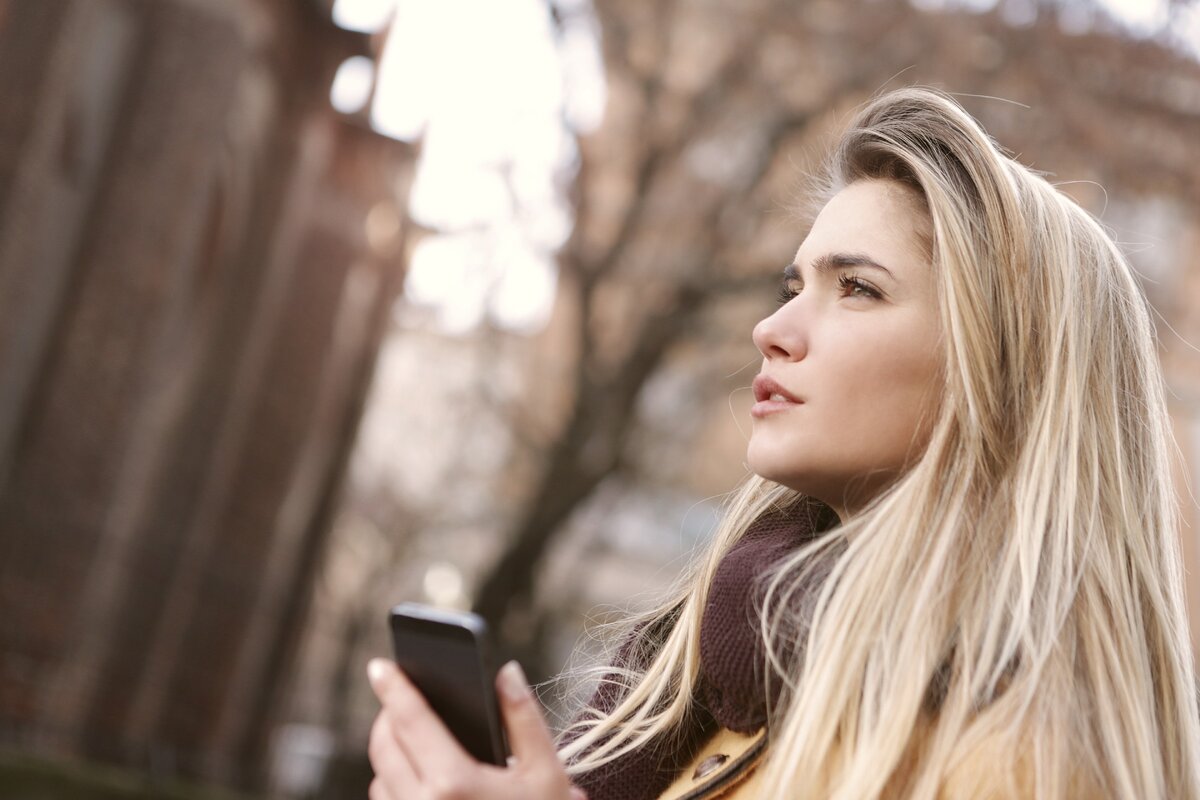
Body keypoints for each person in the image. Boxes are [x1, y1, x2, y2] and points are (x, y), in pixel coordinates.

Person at [364, 87, 1200, 799]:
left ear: (1006, 371)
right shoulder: (705, 679)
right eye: (792, 286)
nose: (772, 329)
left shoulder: (1026, 758)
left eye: (859, 289)